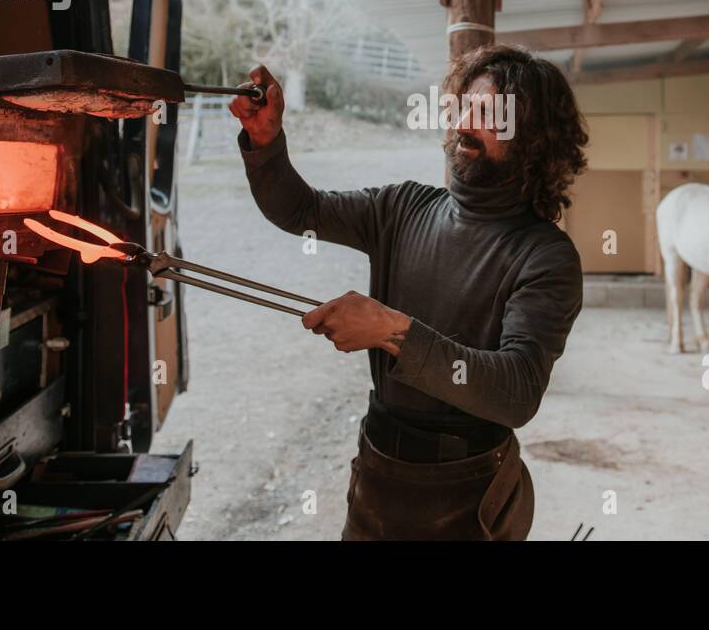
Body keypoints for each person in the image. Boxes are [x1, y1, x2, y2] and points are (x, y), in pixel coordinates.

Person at [230, 43, 589, 540]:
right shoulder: (403, 208)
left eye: (488, 114)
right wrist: (266, 140)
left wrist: (390, 330)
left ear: (534, 138)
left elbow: (517, 392)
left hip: (470, 491)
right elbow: (300, 211)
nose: (465, 122)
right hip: (379, 472)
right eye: (464, 107)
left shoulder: (545, 255)